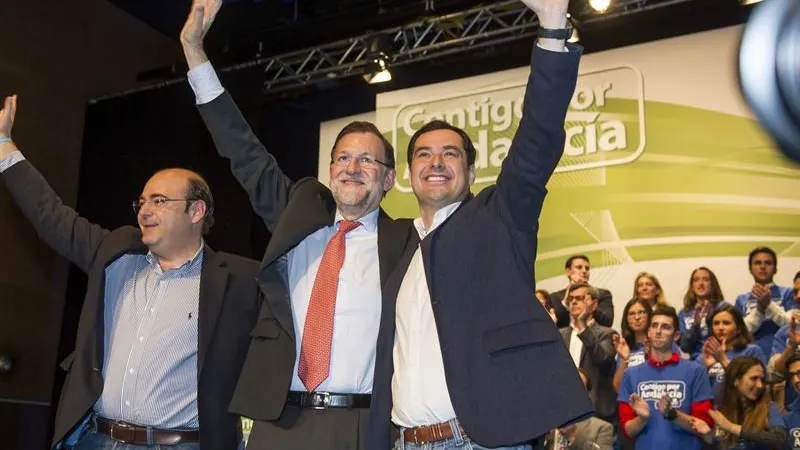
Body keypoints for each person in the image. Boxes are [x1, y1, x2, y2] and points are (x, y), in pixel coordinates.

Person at [179, 1, 415, 449]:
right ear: (330, 170)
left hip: (363, 426)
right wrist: (194, 53)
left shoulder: (406, 241)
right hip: (279, 422)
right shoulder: (298, 219)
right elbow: (242, 149)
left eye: (367, 159)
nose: (352, 167)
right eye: (343, 157)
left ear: (388, 178)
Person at [366, 1, 595, 447]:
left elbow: (539, 137)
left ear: (472, 174)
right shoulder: (399, 249)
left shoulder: (499, 217)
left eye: (451, 154)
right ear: (409, 177)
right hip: (406, 442)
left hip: (481, 440)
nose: (436, 162)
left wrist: (551, 27)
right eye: (423, 155)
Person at [0, 95, 260, 449]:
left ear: (197, 210)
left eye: (159, 201)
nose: (144, 211)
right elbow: (51, 217)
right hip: (96, 439)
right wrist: (4, 145)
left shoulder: (238, 281)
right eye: (142, 202)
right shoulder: (117, 254)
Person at [617, 306, 714, 450]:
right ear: (648, 332)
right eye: (654, 326)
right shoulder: (630, 374)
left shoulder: (695, 371)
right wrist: (642, 419)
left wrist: (674, 415)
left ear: (676, 336)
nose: (658, 331)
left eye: (665, 327)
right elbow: (628, 430)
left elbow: (705, 426)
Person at [698, 356, 786, 449]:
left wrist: (731, 427)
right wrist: (708, 437)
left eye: (762, 380)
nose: (760, 385)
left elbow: (779, 438)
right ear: (736, 380)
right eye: (754, 378)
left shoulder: (769, 408)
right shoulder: (719, 411)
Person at [544, 368, 614, 450]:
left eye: (577, 386)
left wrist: (573, 436)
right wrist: (546, 437)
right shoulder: (542, 423)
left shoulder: (602, 428)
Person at [678, 267, 729, 360]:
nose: (701, 283)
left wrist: (710, 321)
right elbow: (685, 347)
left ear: (713, 285)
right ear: (692, 286)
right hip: (696, 361)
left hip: (722, 355)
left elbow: (730, 338)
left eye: (705, 279)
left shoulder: (724, 308)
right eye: (696, 280)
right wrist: (696, 325)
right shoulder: (684, 313)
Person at [550, 255, 614, 328]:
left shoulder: (602, 294)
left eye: (587, 268)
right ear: (568, 272)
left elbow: (607, 322)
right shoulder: (554, 298)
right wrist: (567, 298)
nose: (584, 271)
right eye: (579, 267)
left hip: (593, 337)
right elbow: (556, 323)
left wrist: (591, 305)